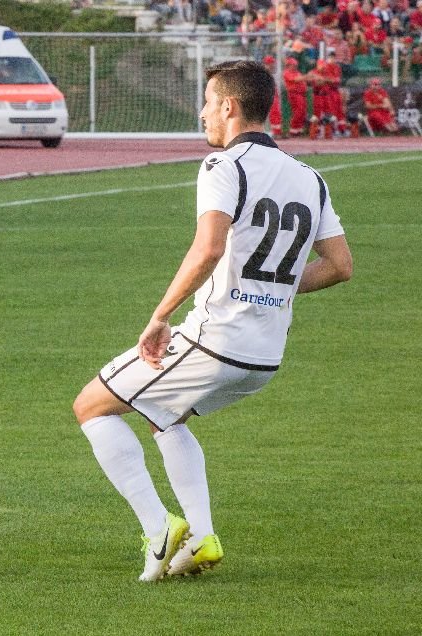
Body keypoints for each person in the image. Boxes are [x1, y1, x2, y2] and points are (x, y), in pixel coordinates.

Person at [71, 60, 353, 582]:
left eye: (207, 102)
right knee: (164, 415)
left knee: (91, 406)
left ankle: (158, 528)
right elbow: (340, 266)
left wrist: (160, 316)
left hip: (217, 341)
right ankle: (200, 536)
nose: (202, 114)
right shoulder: (310, 178)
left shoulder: (224, 166)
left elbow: (208, 249)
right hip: (265, 356)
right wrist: (271, 289)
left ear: (229, 106)